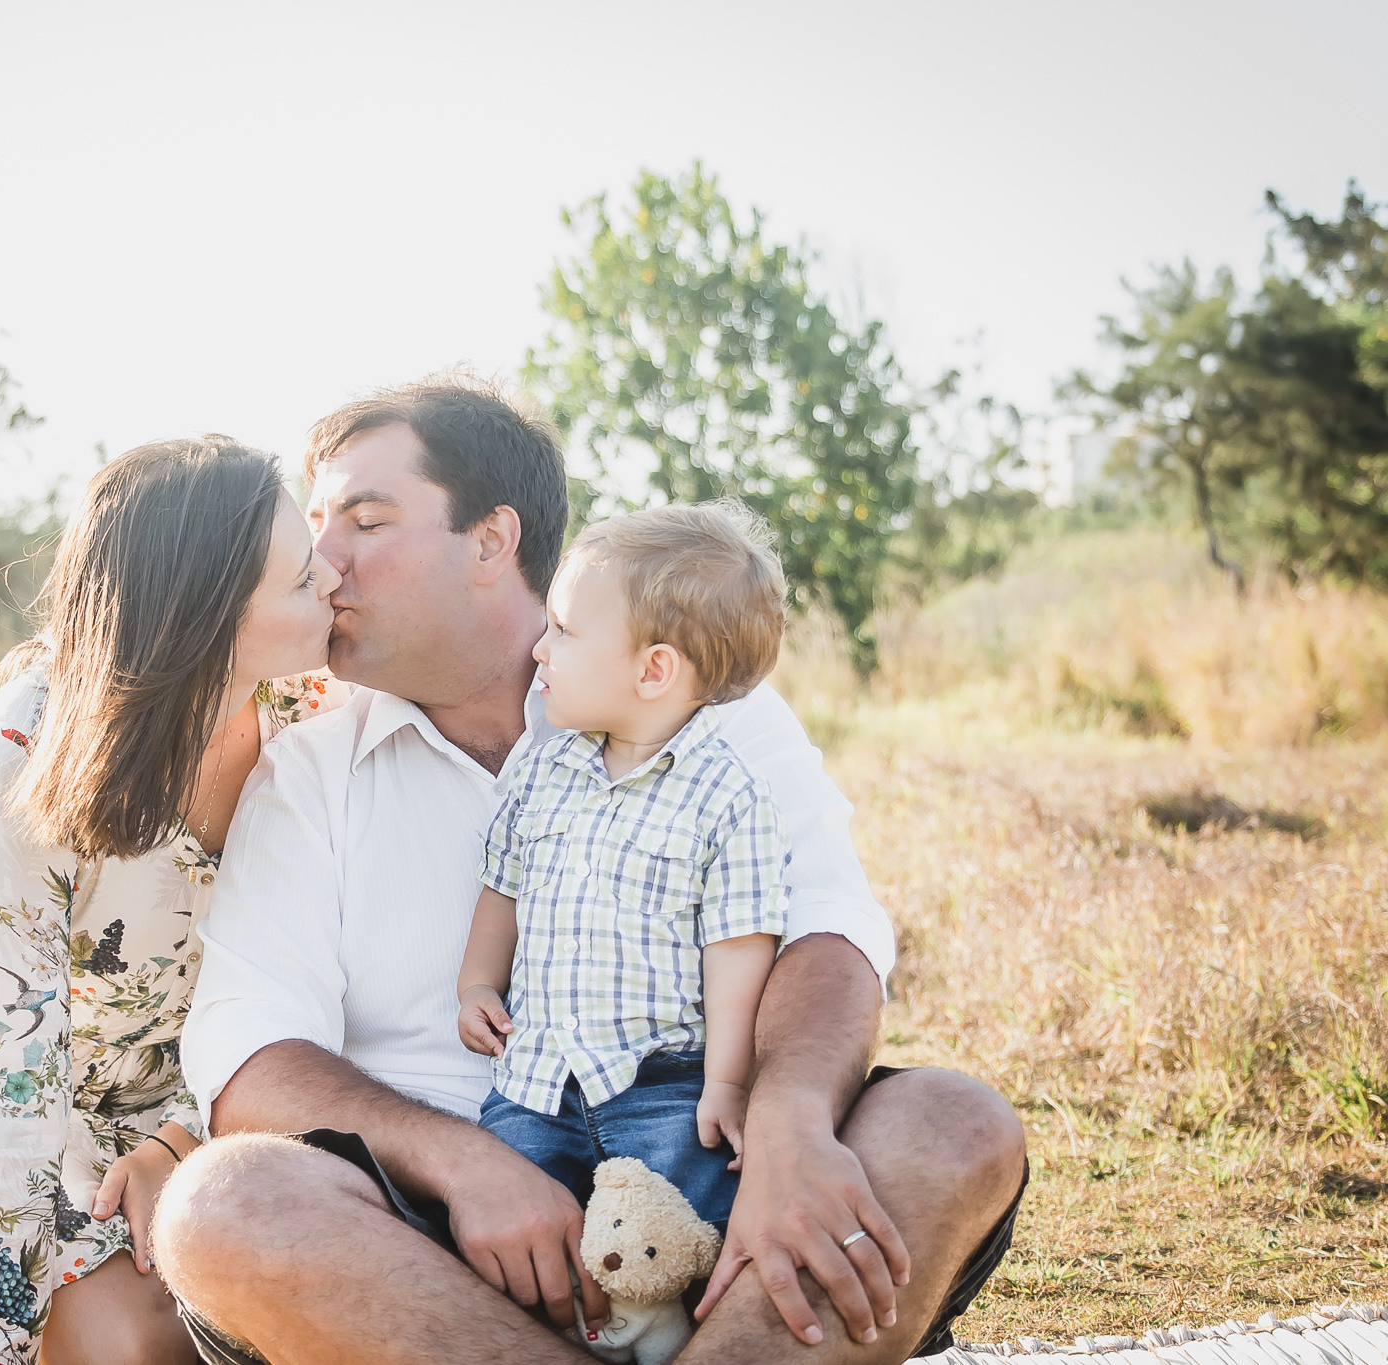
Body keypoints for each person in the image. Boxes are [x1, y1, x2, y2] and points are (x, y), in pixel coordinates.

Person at [152, 374, 1028, 1365]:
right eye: (316, 525)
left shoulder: (702, 700)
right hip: (431, 1260)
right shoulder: (305, 772)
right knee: (223, 1207)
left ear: (491, 541)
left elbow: (825, 924)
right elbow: (250, 1051)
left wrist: (788, 1123)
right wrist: (467, 1166)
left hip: (707, 1201)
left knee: (950, 1123)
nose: (322, 560)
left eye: (364, 518)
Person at [0, 436, 343, 1365]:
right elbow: (12, 1057)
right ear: (207, 619)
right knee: (115, 1350)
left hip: (172, 1100)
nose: (332, 577)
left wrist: (178, 1136)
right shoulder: (30, 734)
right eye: (299, 576)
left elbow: (308, 984)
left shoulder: (314, 714)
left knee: (164, 1336)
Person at [456, 502, 793, 1248]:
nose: (540, 649)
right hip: (534, 1084)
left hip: (662, 1084)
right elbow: (503, 885)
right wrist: (477, 982)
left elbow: (738, 948)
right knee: (507, 1239)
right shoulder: (543, 772)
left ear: (654, 669)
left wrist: (727, 1083)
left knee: (684, 1236)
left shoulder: (726, 795)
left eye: (566, 632)